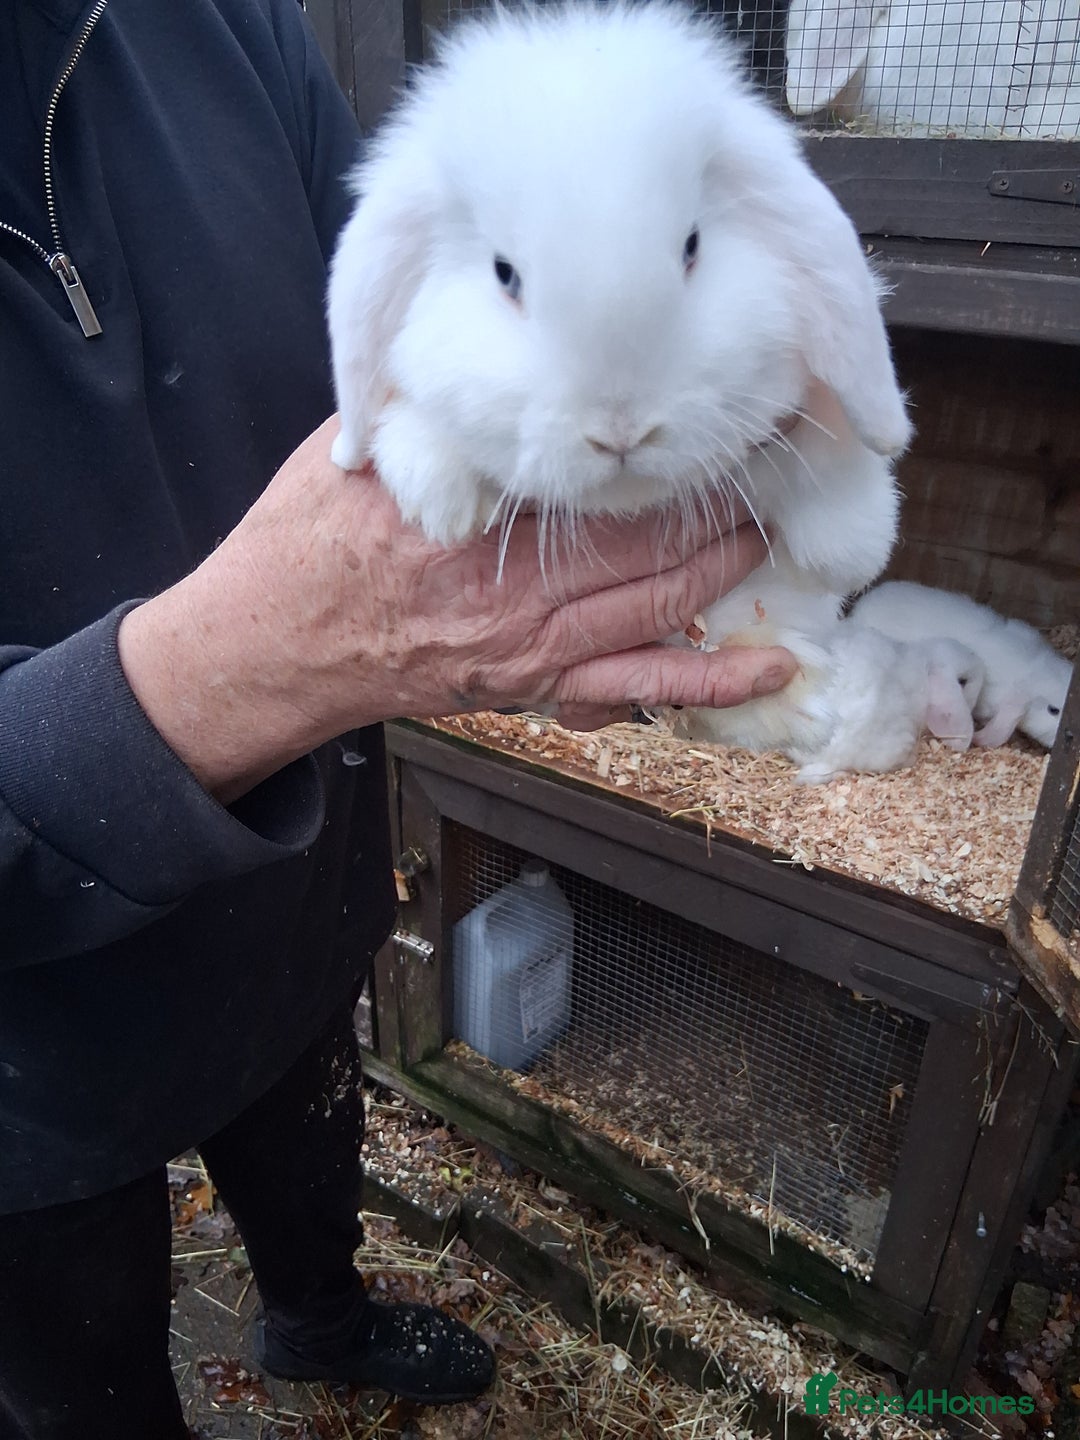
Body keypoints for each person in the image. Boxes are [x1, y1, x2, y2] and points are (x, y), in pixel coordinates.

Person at [0, 1, 796, 1434]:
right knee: (82, 1354)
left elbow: (411, 321)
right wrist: (260, 661)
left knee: (313, 1128)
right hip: (35, 1042)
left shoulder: (221, 26)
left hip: (302, 866)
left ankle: (320, 1313)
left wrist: (551, 510)